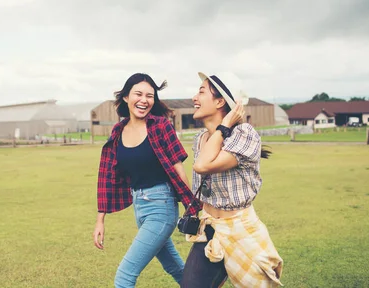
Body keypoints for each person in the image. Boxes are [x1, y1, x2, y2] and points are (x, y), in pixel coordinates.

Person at [93, 73, 198, 287]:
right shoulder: (118, 130)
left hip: (162, 207)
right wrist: (100, 220)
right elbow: (106, 174)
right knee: (175, 268)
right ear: (125, 97)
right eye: (138, 94)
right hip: (139, 207)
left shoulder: (161, 126)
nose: (144, 100)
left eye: (150, 96)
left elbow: (178, 167)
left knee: (124, 276)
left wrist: (192, 207)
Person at [181, 72, 283, 288]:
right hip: (209, 227)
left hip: (240, 229)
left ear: (220, 101)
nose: (194, 98)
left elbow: (202, 166)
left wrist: (225, 125)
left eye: (201, 92)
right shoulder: (201, 138)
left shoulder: (243, 134)